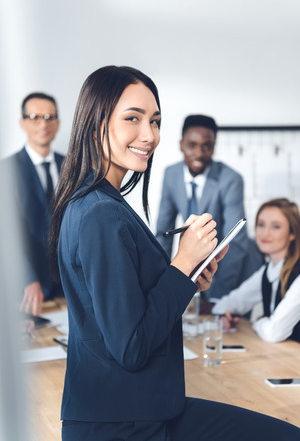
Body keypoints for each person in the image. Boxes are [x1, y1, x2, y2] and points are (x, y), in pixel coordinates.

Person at [49, 66, 300, 440]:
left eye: (155, 121)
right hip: (124, 421)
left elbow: (128, 305)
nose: (149, 135)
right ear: (97, 121)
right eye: (132, 118)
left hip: (140, 407)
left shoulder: (95, 203)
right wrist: (181, 265)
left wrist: (187, 282)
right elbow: (131, 346)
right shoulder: (101, 213)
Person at [156, 114, 264, 300]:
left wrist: (216, 298)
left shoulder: (230, 179)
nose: (199, 153)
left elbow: (235, 242)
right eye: (192, 145)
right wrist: (160, 284)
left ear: (214, 146)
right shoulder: (171, 174)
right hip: (202, 267)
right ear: (181, 145)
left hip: (235, 270)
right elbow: (163, 233)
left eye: (207, 146)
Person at [3, 92, 64, 316]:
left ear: (57, 124)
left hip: (69, 285)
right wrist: (27, 278)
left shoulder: (72, 167)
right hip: (29, 289)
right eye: (35, 117)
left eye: (49, 117)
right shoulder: (6, 171)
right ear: (23, 123)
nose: (43, 123)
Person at [212, 198, 300, 343]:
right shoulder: (267, 271)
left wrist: (259, 322)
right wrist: (225, 315)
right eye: (261, 225)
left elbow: (274, 333)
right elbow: (227, 303)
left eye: (276, 227)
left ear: (292, 233)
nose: (265, 233)